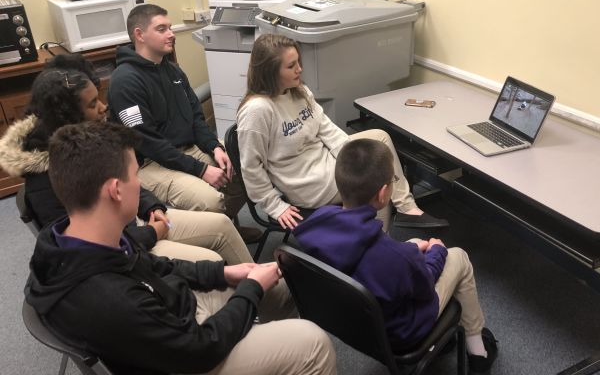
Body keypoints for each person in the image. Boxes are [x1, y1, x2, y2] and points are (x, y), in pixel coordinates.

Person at [25, 121, 336, 375]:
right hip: (189, 357)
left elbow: (155, 266)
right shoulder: (109, 298)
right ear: (116, 191)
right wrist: (250, 290)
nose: (140, 185)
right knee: (313, 343)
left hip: (173, 319)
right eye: (136, 176)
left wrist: (225, 272)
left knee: (276, 290)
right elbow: (199, 350)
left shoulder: (75, 238)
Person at [0, 55, 253, 265]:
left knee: (221, 225)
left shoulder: (88, 142)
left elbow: (131, 185)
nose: (103, 108)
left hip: (138, 224)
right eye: (92, 104)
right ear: (67, 115)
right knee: (210, 260)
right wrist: (150, 234)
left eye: (99, 98)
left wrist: (154, 207)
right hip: (124, 252)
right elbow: (88, 251)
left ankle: (265, 296)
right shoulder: (47, 181)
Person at [293, 138, 498, 374]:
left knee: (412, 244)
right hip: (401, 332)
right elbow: (425, 287)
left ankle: (450, 342)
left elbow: (388, 258)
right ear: (383, 194)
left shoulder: (318, 222)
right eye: (393, 181)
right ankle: (478, 353)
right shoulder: (394, 257)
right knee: (458, 256)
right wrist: (436, 252)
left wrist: (413, 250)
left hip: (352, 324)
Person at [237, 33, 448, 231]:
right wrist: (274, 205)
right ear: (270, 71)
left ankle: (407, 209)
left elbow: (326, 128)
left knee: (379, 139)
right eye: (291, 66)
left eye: (298, 62)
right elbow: (251, 167)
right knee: (375, 175)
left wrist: (352, 158)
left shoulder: (298, 91)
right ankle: (380, 244)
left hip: (328, 162)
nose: (300, 69)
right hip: (309, 183)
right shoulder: (258, 110)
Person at [107, 4, 260, 242]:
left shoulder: (173, 71)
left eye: (170, 27)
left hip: (187, 150)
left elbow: (196, 117)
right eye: (162, 29)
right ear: (139, 35)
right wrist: (200, 170)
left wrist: (214, 147)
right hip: (149, 163)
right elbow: (148, 143)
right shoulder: (124, 82)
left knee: (245, 169)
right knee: (210, 201)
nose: (171, 34)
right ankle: (209, 235)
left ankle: (222, 230)